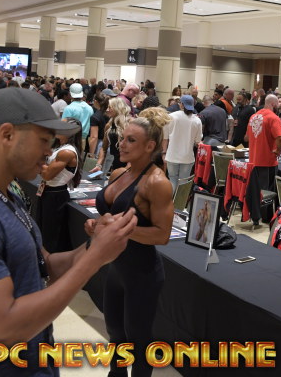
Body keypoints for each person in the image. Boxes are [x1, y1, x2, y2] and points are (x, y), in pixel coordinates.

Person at [0, 88, 137, 372]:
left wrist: (95, 245)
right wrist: (93, 260)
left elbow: (46, 264)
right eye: (43, 140)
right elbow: (0, 332)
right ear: (7, 135)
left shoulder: (4, 195)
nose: (48, 152)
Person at [94, 114, 173, 377]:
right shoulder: (120, 173)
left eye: (130, 140)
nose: (121, 144)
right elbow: (109, 215)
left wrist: (117, 229)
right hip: (116, 268)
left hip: (142, 273)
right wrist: (99, 225)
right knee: (115, 334)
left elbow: (162, 235)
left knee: (138, 341)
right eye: (122, 138)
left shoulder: (157, 183)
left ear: (150, 146)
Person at [36, 117, 83, 253]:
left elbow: (47, 175)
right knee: (42, 229)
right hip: (47, 191)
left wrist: (36, 160)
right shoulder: (59, 147)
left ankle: (50, 261)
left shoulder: (67, 152)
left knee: (51, 234)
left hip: (55, 195)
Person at [246, 94, 281, 225]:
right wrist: (278, 151)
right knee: (266, 191)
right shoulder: (273, 118)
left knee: (256, 190)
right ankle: (265, 217)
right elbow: (280, 138)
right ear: (273, 104)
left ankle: (255, 215)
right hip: (267, 161)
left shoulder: (253, 116)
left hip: (253, 160)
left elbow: (247, 137)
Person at [162, 94, 203, 191]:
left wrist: (164, 153)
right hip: (187, 157)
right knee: (183, 183)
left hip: (171, 156)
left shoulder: (170, 117)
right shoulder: (197, 120)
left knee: (172, 179)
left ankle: (171, 200)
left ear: (181, 104)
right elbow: (198, 141)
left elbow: (165, 138)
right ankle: (180, 201)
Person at [93, 96, 132, 175]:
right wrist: (99, 165)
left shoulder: (131, 123)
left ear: (118, 108)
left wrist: (129, 166)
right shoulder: (109, 125)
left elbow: (137, 148)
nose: (107, 110)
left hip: (130, 165)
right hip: (116, 163)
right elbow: (104, 148)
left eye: (110, 107)